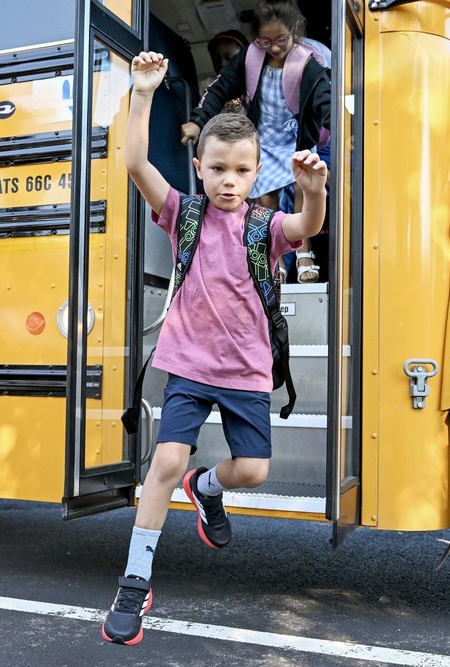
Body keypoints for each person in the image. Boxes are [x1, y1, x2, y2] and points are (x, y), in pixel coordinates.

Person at [100, 50, 328, 646]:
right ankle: (134, 580)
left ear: (257, 173)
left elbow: (308, 227)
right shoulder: (183, 213)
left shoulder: (265, 226)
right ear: (199, 167)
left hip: (248, 372)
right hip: (189, 365)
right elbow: (133, 162)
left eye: (242, 171)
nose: (230, 181)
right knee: (163, 464)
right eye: (218, 168)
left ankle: (208, 488)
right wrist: (144, 92)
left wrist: (313, 192)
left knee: (252, 471)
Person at [181, 0, 331, 283]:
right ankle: (275, 259)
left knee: (302, 184)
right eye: (265, 40)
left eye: (281, 40)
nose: (274, 47)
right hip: (266, 138)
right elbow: (221, 87)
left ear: (294, 31)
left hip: (296, 136)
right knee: (266, 199)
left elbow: (324, 97)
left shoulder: (305, 62)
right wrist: (197, 121)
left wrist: (341, 127)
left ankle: (304, 254)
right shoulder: (251, 59)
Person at [204, 29, 249, 114]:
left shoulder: (254, 86)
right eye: (216, 59)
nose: (222, 64)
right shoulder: (207, 86)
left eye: (230, 59)